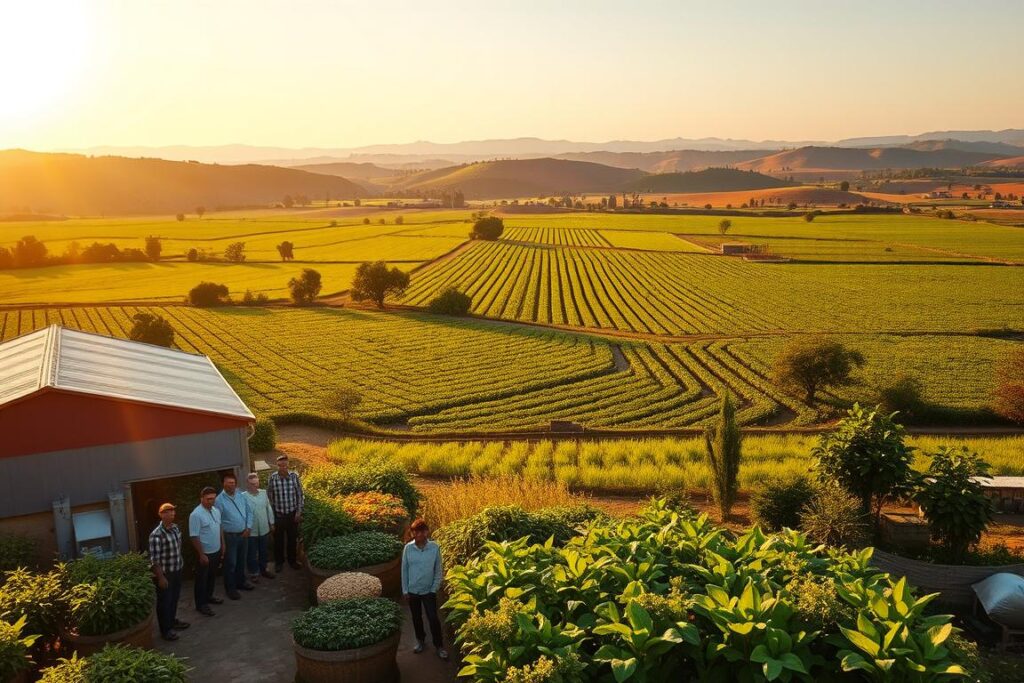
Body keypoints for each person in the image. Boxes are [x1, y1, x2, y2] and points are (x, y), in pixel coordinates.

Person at [401, 518, 448, 660]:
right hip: (413, 590)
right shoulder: (408, 548)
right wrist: (405, 590)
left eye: (422, 531)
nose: (419, 534)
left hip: (428, 591)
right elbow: (404, 570)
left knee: (433, 618)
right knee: (416, 618)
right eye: (416, 531)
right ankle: (420, 641)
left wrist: (434, 588)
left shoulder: (435, 548)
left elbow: (438, 570)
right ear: (413, 533)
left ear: (427, 532)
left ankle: (439, 646)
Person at [149, 502, 189, 641]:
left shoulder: (175, 528)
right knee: (164, 601)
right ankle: (166, 630)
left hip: (176, 569)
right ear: (161, 514)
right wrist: (160, 577)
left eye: (173, 511)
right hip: (165, 574)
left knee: (174, 598)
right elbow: (155, 560)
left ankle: (172, 621)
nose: (171, 513)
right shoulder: (156, 535)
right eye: (168, 511)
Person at [215, 473, 253, 599]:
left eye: (233, 483)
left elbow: (249, 511)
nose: (231, 485)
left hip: (244, 534)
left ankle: (241, 582)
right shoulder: (219, 501)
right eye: (228, 483)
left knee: (241, 561)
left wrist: (248, 527)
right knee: (230, 563)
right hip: (230, 537)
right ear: (223, 484)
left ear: (236, 484)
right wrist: (221, 541)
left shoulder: (240, 495)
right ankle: (230, 589)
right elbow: (218, 521)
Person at [189, 486, 225, 616]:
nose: (211, 501)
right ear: (202, 499)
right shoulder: (196, 514)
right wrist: (201, 554)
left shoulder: (216, 510)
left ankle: (209, 597)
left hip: (216, 551)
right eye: (208, 499)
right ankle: (201, 605)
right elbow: (194, 536)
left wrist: (223, 545)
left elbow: (220, 528)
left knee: (211, 577)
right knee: (201, 580)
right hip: (204, 554)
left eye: (213, 498)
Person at [267, 454, 304, 572]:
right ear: (277, 466)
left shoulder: (294, 477)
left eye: (284, 465)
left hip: (292, 514)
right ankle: (279, 562)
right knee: (278, 541)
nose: (282, 467)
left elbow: (300, 495)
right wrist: (272, 515)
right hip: (279, 515)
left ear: (288, 465)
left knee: (292, 539)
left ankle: (292, 561)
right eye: (280, 465)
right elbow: (269, 497)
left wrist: (298, 512)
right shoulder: (273, 478)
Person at [241, 473, 275, 582]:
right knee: (251, 553)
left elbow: (268, 508)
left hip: (264, 528)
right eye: (252, 484)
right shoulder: (243, 496)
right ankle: (253, 573)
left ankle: (264, 569)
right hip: (251, 530)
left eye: (257, 483)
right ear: (247, 484)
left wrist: (272, 523)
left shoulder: (263, 493)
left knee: (263, 551)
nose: (255, 486)